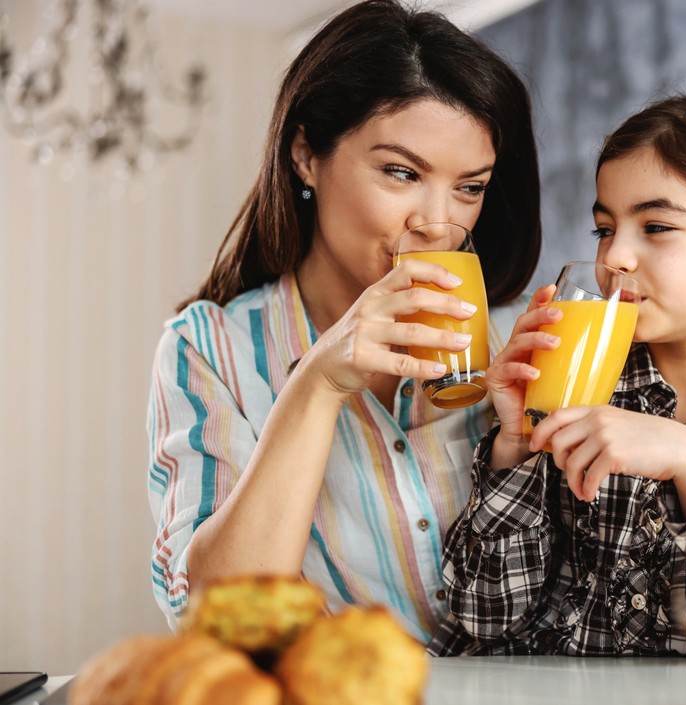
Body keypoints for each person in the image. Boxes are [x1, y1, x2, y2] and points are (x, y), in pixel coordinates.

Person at [146, 0, 541, 644]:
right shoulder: (210, 348)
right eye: (401, 173)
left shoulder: (513, 339)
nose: (436, 223)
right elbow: (216, 621)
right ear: (306, 154)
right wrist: (318, 384)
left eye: (469, 187)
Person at [431, 96, 686, 655]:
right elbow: (483, 615)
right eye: (604, 229)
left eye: (656, 226)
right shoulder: (573, 379)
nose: (616, 256)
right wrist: (517, 442)